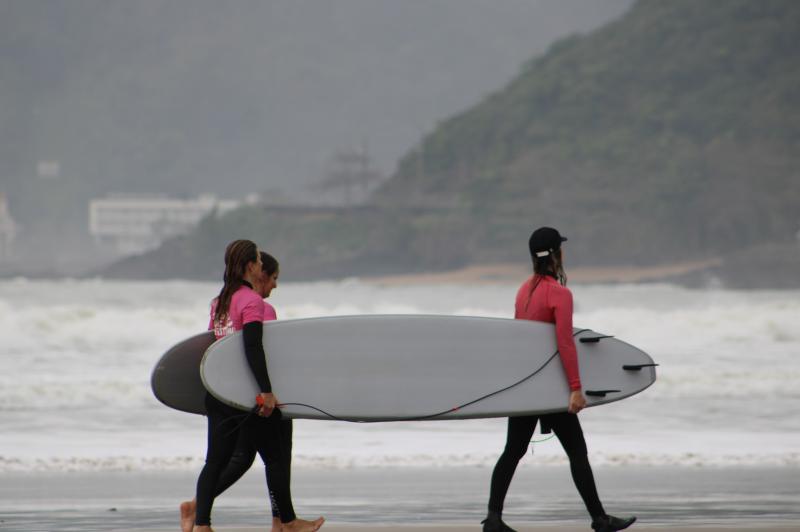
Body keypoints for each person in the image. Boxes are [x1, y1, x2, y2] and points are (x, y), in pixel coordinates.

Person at [481, 227, 635, 532]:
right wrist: (575, 388)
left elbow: (522, 341)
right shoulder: (560, 294)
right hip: (550, 389)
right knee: (577, 452)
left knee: (513, 451)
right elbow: (564, 342)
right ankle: (600, 519)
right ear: (556, 254)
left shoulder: (523, 290)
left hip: (526, 385)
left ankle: (494, 518)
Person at [189, 240, 323, 532]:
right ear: (250, 266)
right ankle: (288, 522)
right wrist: (266, 390)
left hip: (219, 392)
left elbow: (214, 347)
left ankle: (201, 525)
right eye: (260, 262)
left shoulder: (219, 302)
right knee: (275, 458)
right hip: (245, 396)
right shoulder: (252, 301)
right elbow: (253, 347)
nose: (262, 266)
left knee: (215, 461)